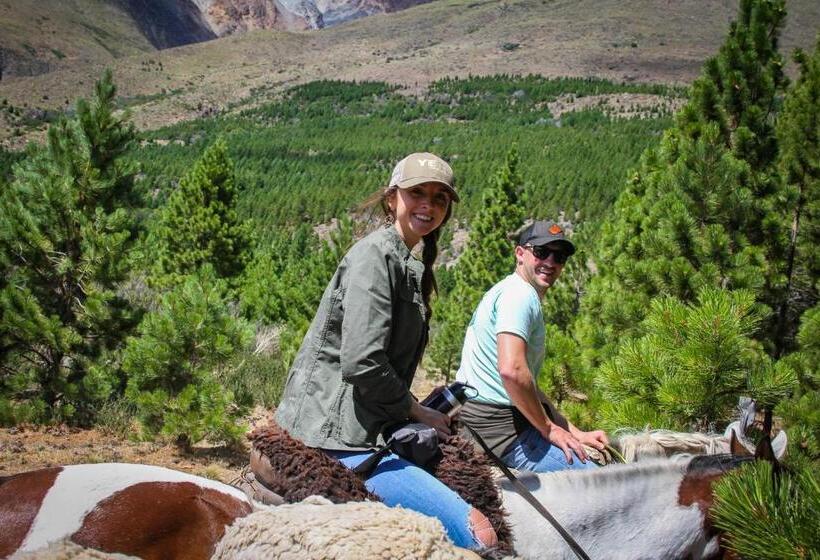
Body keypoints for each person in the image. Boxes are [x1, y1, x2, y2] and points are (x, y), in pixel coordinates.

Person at [275, 153, 497, 549]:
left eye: (439, 198)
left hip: (364, 425)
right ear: (391, 198)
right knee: (478, 533)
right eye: (417, 193)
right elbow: (362, 362)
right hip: (335, 435)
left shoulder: (405, 260)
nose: (428, 205)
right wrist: (416, 410)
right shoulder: (376, 257)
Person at [456, 220, 609, 472]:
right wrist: (548, 429)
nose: (550, 262)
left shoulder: (506, 290)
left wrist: (574, 431)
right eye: (541, 252)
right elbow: (513, 371)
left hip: (480, 420)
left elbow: (529, 385)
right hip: (502, 433)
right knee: (603, 488)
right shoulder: (521, 295)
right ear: (520, 253)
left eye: (559, 257)